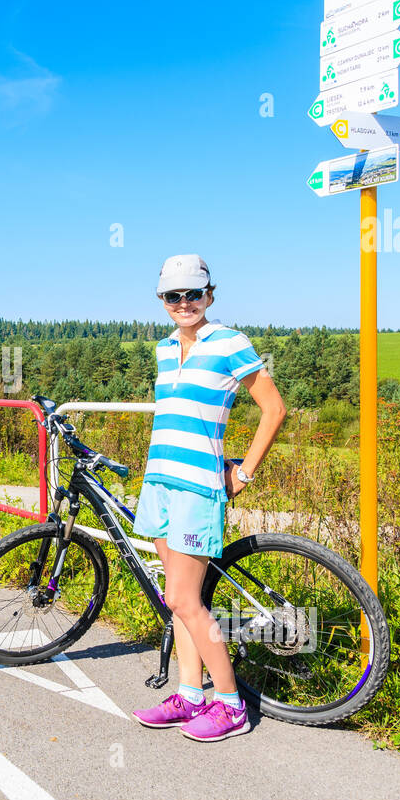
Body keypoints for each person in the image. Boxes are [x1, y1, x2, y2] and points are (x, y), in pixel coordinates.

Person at [130, 254, 286, 742]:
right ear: (162, 301)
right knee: (179, 602)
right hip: (159, 481)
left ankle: (230, 704)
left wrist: (246, 470)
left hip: (199, 486)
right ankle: (188, 695)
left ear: (209, 295)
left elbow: (274, 408)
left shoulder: (231, 343)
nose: (184, 304)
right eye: (173, 296)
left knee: (183, 598)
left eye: (192, 294)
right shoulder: (162, 349)